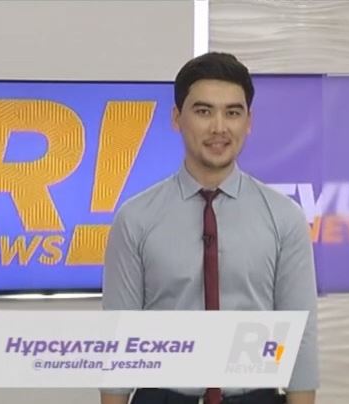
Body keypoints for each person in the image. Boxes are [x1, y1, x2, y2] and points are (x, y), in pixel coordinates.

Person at [100, 52, 319, 404]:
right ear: (177, 118)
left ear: (249, 121)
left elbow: (300, 339)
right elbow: (117, 338)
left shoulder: (284, 218)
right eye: (204, 111)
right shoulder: (135, 218)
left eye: (232, 113)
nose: (219, 127)